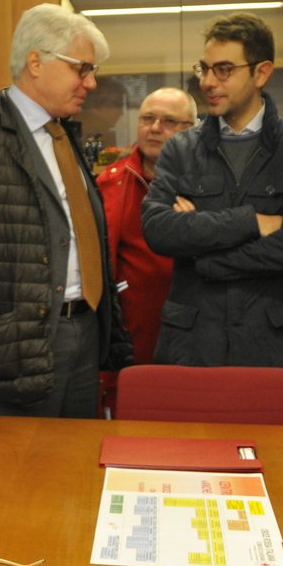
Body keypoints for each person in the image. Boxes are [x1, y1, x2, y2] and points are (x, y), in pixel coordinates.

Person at [0, 3, 131, 418]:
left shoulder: (65, 135)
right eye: (81, 69)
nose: (90, 83)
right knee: (19, 475)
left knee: (74, 467)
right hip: (10, 352)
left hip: (83, 332)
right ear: (36, 61)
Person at [140, 13, 283, 422]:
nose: (208, 82)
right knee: (194, 474)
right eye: (205, 69)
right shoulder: (180, 150)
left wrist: (205, 257)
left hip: (278, 349)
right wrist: (253, 222)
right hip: (194, 346)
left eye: (224, 70)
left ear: (262, 72)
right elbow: (159, 230)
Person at [94, 86, 197, 414]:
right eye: (148, 118)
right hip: (132, 334)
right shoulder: (111, 182)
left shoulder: (211, 183)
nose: (155, 128)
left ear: (191, 129)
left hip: (199, 332)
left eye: (168, 121)